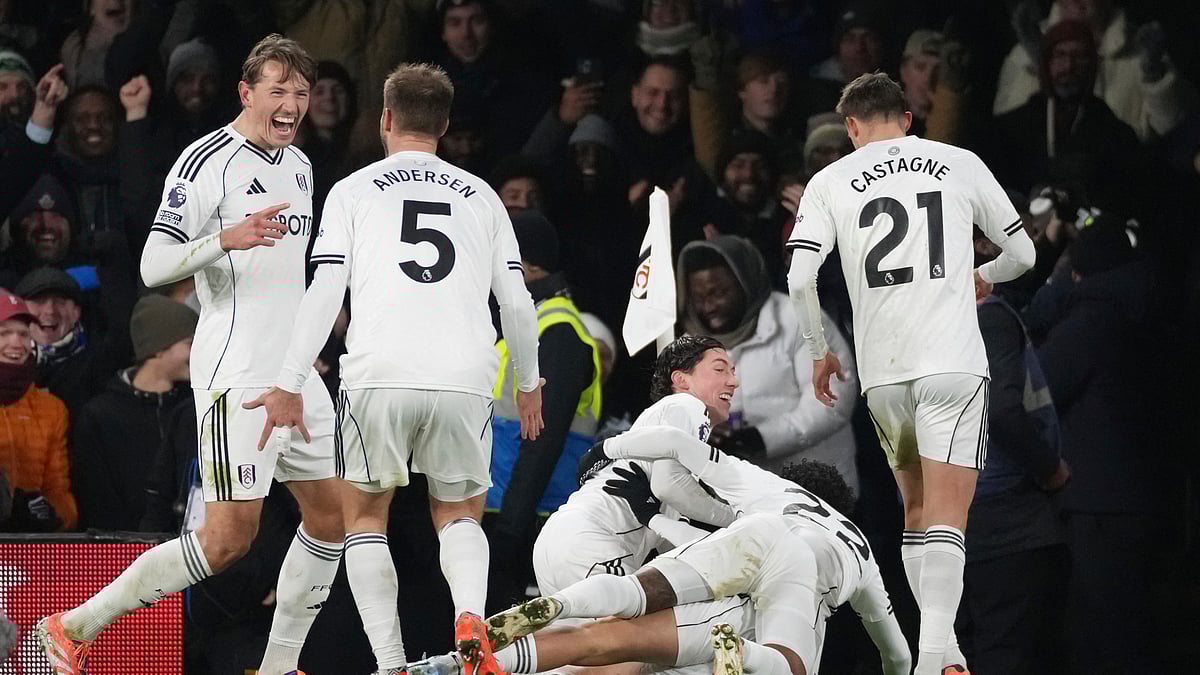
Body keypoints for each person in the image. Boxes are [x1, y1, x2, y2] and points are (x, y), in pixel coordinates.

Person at [36, 35, 348, 675]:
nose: (291, 104)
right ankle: (74, 625)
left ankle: (279, 664)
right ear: (246, 92)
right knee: (228, 540)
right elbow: (153, 265)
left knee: (335, 516)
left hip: (292, 375)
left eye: (300, 93)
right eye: (278, 91)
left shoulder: (300, 166)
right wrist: (224, 239)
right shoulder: (206, 163)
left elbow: (292, 276)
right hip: (237, 375)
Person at [248, 62, 545, 675]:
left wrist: (289, 381)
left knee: (363, 515)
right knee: (458, 513)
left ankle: (390, 663)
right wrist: (529, 383)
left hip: (378, 372)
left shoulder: (353, 190)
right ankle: (470, 620)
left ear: (384, 119)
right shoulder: (485, 197)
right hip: (463, 374)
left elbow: (325, 292)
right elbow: (517, 302)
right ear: (444, 124)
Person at [784, 72, 1036, 675]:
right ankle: (932, 659)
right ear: (908, 120)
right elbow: (1023, 253)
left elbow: (799, 278)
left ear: (851, 128)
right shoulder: (957, 161)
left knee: (916, 510)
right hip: (951, 365)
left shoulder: (828, 180)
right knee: (949, 515)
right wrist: (986, 276)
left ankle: (942, 654)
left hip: (883, 377)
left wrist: (820, 349)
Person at [485, 432, 912, 675]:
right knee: (788, 666)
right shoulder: (861, 547)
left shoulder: (776, 488)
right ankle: (739, 653)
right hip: (795, 573)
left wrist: (606, 450)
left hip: (753, 537)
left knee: (621, 617)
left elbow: (675, 443)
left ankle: (522, 630)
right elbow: (896, 654)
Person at [530, 335, 738, 602]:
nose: (733, 381)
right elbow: (669, 484)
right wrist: (738, 519)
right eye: (720, 369)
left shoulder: (656, 427)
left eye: (733, 371)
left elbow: (667, 540)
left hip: (561, 537)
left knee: (574, 642)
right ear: (681, 380)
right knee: (631, 639)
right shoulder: (687, 405)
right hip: (595, 540)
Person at [677, 237, 859, 492]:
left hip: (816, 489)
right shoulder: (689, 346)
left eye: (719, 293)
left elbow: (832, 401)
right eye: (699, 297)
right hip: (744, 496)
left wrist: (762, 438)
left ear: (746, 283)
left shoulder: (799, 319)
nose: (708, 306)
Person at [487, 209, 601, 611]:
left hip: (535, 521)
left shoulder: (558, 332)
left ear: (528, 265)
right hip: (503, 508)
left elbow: (542, 440)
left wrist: (508, 534)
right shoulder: (524, 322)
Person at [71, 294, 197, 531]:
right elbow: (96, 500)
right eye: (190, 343)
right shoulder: (100, 416)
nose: (199, 352)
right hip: (123, 555)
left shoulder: (191, 409)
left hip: (188, 552)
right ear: (159, 348)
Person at [0, 292, 76, 532]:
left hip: (29, 549)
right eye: (4, 333)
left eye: (23, 334)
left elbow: (58, 489)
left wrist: (53, 514)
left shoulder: (51, 409)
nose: (16, 343)